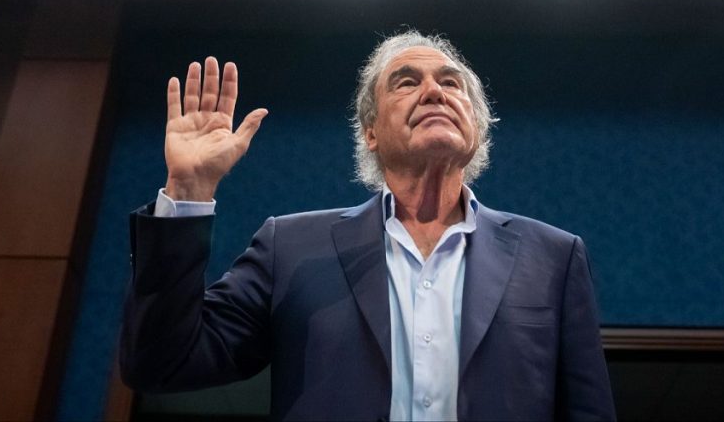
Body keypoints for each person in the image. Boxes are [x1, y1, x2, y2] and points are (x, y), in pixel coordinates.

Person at [120, 31, 616, 421]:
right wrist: (188, 190)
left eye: (451, 84)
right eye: (406, 82)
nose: (434, 91)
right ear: (371, 132)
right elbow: (163, 363)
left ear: (477, 128)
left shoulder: (554, 257)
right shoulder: (290, 248)